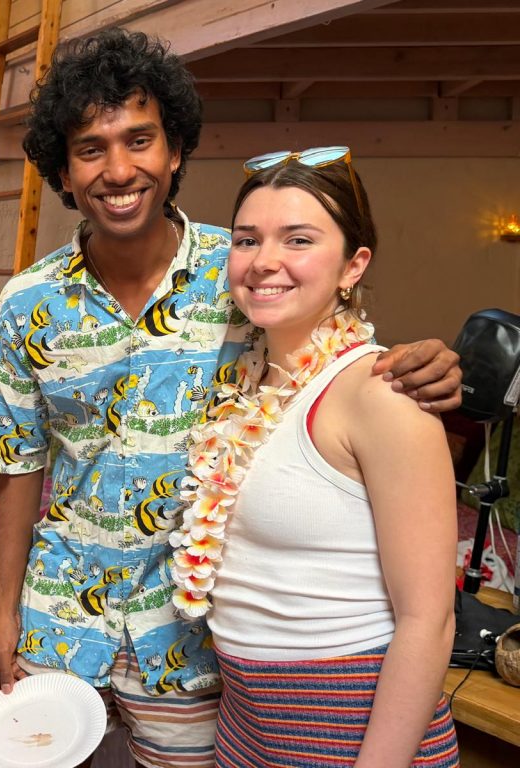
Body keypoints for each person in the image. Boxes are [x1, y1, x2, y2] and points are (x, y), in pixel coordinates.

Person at [0, 28, 462, 768]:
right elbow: (15, 466)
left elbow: (329, 350)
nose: (119, 169)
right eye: (90, 149)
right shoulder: (25, 303)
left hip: (194, 637)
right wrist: (2, 610)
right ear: (63, 172)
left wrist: (430, 364)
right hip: (59, 612)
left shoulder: (242, 273)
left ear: (175, 151)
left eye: (140, 140)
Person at [173, 150, 459, 765]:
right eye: (247, 239)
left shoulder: (382, 394)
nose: (264, 261)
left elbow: (429, 620)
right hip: (247, 722)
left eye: (298, 239)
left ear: (353, 265)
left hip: (350, 722)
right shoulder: (246, 381)